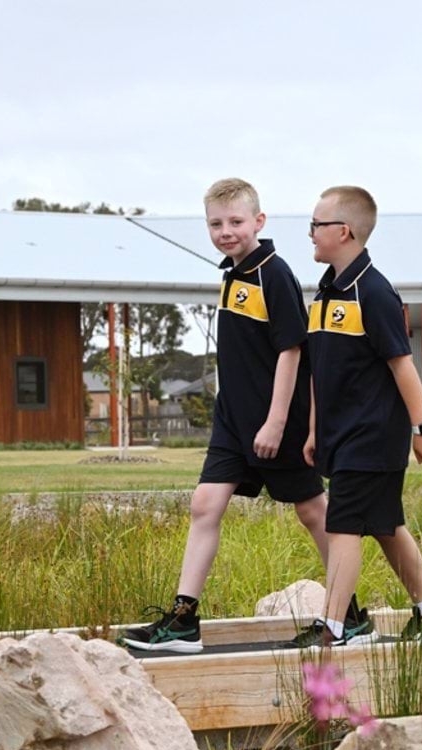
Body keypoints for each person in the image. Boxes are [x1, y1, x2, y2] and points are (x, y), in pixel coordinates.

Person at [122, 178, 368, 653]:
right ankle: (183, 619)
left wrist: (277, 421)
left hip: (276, 422)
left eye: (235, 222)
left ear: (258, 221)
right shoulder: (232, 275)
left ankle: (349, 615)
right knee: (204, 505)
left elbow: (293, 350)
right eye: (216, 223)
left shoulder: (273, 274)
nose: (225, 231)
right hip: (233, 423)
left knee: (314, 512)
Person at [285, 185, 422, 647]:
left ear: (344, 231)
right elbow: (320, 369)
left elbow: (403, 365)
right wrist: (315, 429)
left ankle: (335, 628)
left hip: (374, 435)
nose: (311, 234)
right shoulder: (322, 294)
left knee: (343, 524)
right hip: (339, 435)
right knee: (384, 526)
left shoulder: (374, 292)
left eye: (316, 226)